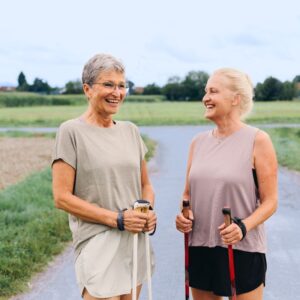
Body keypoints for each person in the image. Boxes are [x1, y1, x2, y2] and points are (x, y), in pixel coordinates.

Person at [52, 53, 156, 300]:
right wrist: (117, 219)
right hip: (98, 242)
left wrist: (147, 212)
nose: (117, 92)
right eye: (108, 84)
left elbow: (145, 185)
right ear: (87, 89)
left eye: (121, 85)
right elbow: (62, 198)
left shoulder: (131, 131)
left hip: (134, 240)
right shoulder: (71, 131)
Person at [176, 68, 278, 300]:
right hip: (200, 246)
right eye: (205, 92)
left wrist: (242, 227)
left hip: (242, 247)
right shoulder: (198, 142)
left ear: (235, 99)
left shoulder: (258, 140)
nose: (205, 98)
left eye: (213, 91)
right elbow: (187, 195)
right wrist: (184, 215)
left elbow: (271, 202)